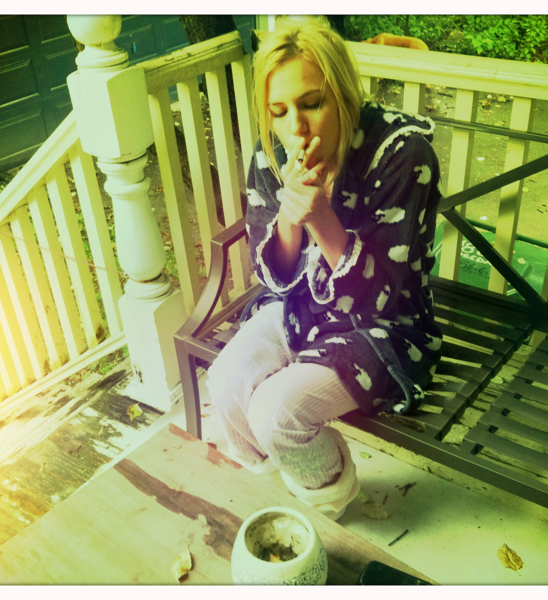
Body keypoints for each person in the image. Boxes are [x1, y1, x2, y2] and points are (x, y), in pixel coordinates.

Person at [206, 19, 443, 520]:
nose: (296, 127)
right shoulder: (273, 154)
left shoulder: (403, 154)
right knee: (225, 386)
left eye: (312, 103)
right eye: (279, 111)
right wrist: (290, 221)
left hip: (385, 325)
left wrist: (320, 218)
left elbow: (381, 299)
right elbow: (271, 275)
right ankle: (290, 492)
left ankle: (328, 508)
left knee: (277, 413)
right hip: (303, 305)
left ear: (345, 94)